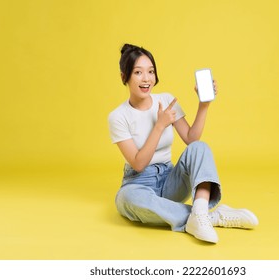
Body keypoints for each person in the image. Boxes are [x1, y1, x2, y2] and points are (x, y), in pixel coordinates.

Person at [108, 43, 258, 243]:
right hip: (138, 183)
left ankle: (200, 213)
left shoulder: (166, 100)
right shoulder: (118, 116)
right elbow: (138, 163)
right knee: (125, 200)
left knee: (200, 148)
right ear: (124, 77)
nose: (146, 79)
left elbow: (191, 139)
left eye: (151, 72)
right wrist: (160, 125)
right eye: (138, 72)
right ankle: (210, 216)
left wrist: (203, 106)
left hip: (171, 181)